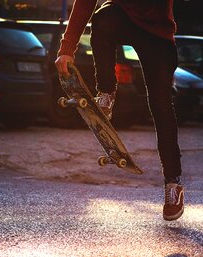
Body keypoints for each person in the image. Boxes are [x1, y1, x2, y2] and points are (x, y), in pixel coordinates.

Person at [55, 0, 184, 220]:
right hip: (122, 18)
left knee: (161, 106)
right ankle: (106, 93)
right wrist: (67, 49)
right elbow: (85, 3)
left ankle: (173, 184)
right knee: (104, 17)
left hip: (158, 34)